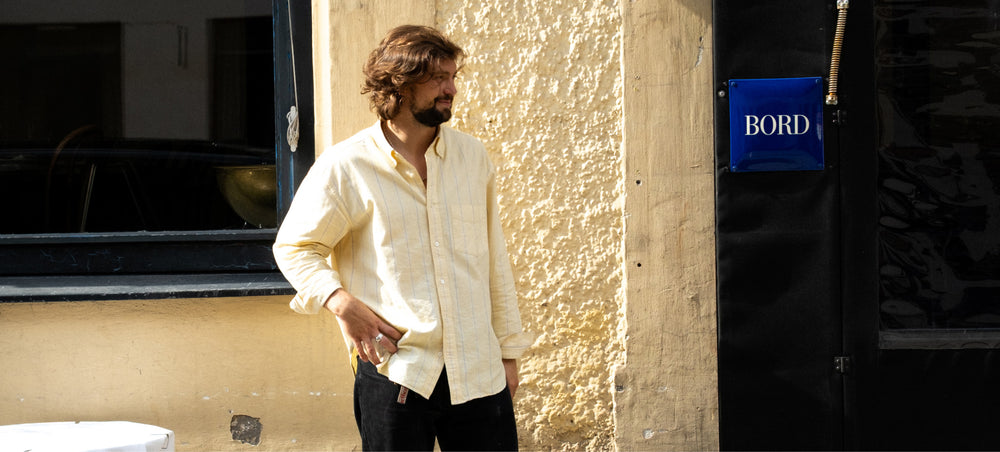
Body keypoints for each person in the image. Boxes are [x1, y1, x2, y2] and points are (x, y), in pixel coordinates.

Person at [272, 25, 533, 451]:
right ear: (398, 84)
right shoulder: (347, 165)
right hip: (397, 374)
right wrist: (342, 303)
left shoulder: (472, 158)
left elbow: (493, 262)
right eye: (436, 79)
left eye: (452, 77)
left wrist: (507, 354)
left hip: (479, 373)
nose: (450, 89)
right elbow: (295, 247)